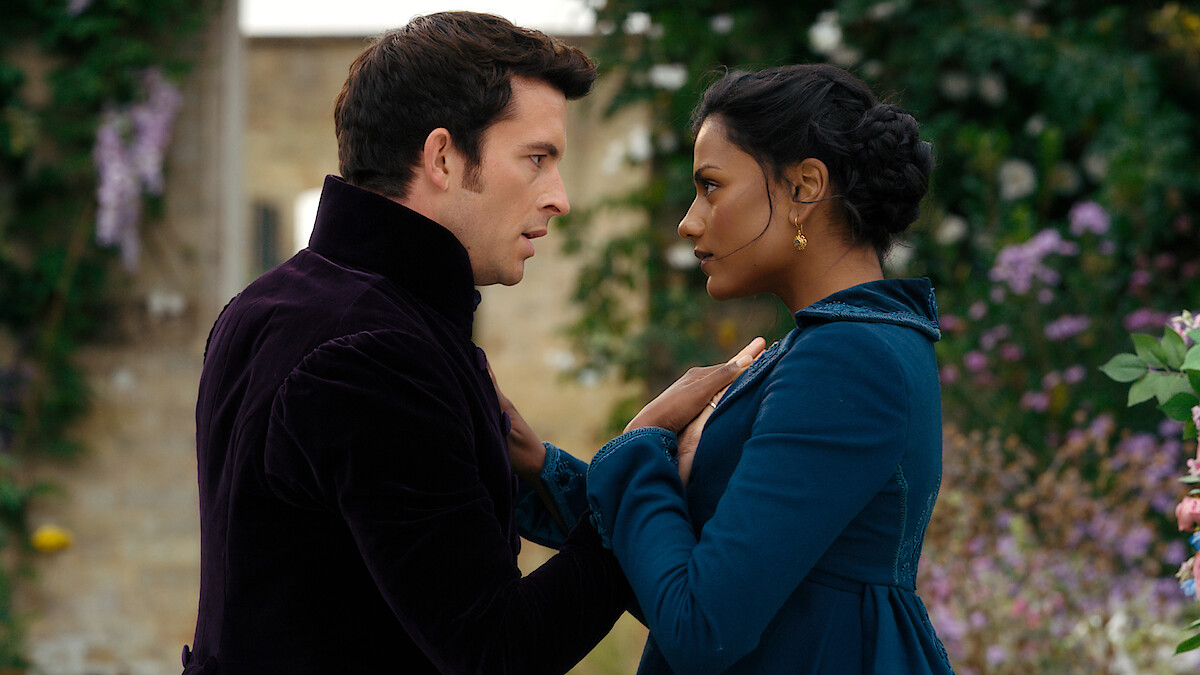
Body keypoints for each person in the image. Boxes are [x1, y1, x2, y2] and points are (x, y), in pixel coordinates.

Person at [184, 12, 748, 674]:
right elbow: (496, 651)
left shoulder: (265, 305)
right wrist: (633, 474)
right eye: (536, 160)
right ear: (444, 157)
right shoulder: (376, 353)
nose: (559, 198)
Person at [521, 63, 954, 673]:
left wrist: (639, 442)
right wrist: (538, 467)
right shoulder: (849, 344)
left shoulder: (847, 359)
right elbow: (684, 573)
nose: (688, 220)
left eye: (711, 186)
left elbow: (702, 626)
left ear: (804, 188)